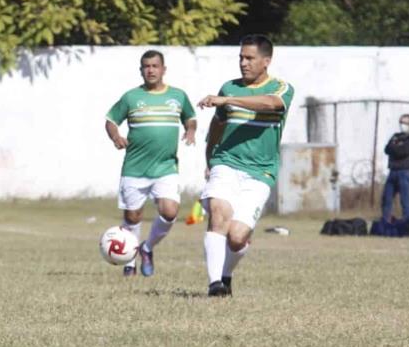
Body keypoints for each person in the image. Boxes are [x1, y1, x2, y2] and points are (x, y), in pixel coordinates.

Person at [197, 34, 294, 297]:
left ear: (266, 61)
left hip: (260, 172)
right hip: (226, 162)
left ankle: (226, 276)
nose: (243, 63)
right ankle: (214, 284)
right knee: (219, 212)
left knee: (238, 237)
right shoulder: (229, 87)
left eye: (249, 58)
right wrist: (209, 161)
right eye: (241, 57)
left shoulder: (281, 89)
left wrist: (227, 101)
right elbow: (216, 127)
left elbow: (271, 103)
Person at [104, 50, 197, 277]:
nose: (151, 70)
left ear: (163, 69)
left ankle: (146, 248)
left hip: (166, 167)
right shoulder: (131, 97)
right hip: (135, 168)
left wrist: (191, 130)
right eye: (146, 66)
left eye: (155, 66)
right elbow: (110, 120)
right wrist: (116, 137)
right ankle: (129, 262)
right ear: (141, 70)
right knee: (132, 217)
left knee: (170, 211)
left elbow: (190, 117)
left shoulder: (178, 96)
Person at [381, 114, 409, 222]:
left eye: (405, 123)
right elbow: (387, 149)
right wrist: (396, 146)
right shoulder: (395, 136)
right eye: (401, 122)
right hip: (393, 171)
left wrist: (395, 147)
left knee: (405, 199)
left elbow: (403, 151)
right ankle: (385, 221)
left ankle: (407, 222)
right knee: (386, 197)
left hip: (404, 171)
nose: (403, 125)